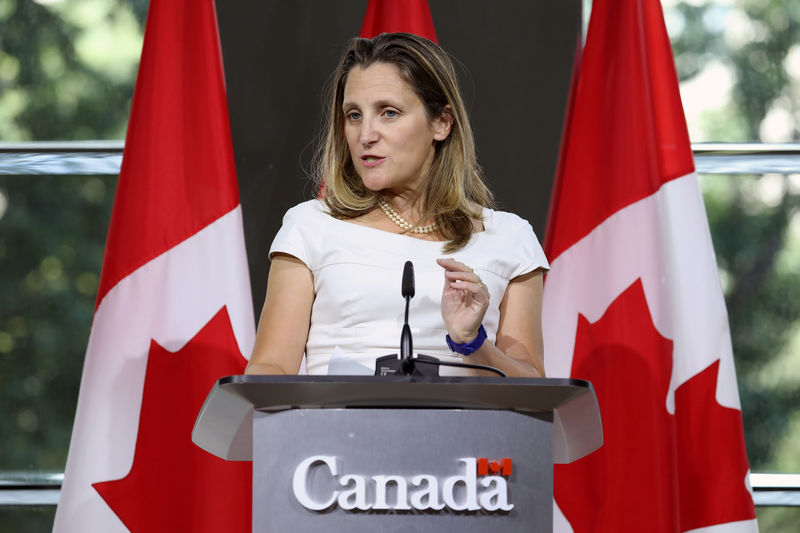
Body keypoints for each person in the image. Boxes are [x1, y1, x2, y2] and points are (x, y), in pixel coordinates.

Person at [245, 33, 548, 377]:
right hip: (335, 428)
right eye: (354, 115)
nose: (366, 134)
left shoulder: (509, 237)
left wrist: (472, 343)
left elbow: (533, 392)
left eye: (388, 113)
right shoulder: (308, 227)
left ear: (442, 123)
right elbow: (270, 369)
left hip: (467, 430)